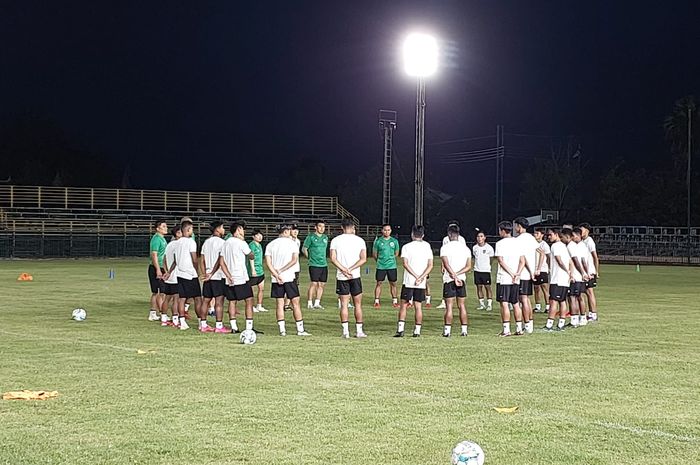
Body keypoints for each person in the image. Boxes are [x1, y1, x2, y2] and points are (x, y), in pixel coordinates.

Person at [265, 224, 310, 336]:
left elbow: (268, 263)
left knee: (279, 304)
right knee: (295, 303)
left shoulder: (270, 244)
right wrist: (281, 270)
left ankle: (282, 330)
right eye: (289, 231)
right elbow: (294, 260)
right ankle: (300, 330)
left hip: (276, 279)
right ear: (285, 232)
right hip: (289, 277)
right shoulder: (292, 243)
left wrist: (276, 274)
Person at [330, 218, 368, 338]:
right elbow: (363, 259)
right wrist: (351, 269)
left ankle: (345, 332)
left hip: (342, 276)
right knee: (357, 304)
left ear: (342, 227)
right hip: (355, 275)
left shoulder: (335, 240)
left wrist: (343, 269)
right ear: (353, 227)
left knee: (344, 304)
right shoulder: (360, 240)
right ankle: (359, 331)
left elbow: (333, 258)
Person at [394, 225, 433, 337]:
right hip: (421, 282)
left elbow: (405, 264)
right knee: (418, 306)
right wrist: (421, 277)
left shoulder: (406, 247)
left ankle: (400, 330)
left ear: (412, 234)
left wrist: (415, 276)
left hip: (409, 281)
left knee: (404, 305)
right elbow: (430, 265)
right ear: (423, 235)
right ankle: (417, 331)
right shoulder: (427, 246)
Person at [218, 220, 256, 334]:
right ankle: (249, 327)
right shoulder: (241, 243)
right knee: (249, 300)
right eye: (242, 229)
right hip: (240, 276)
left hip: (229, 277)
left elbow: (222, 262)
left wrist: (228, 275)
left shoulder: (226, 242)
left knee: (232, 301)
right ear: (239, 230)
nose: (244, 231)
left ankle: (234, 327)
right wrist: (244, 243)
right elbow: (251, 255)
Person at [167, 220, 204, 331]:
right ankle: (201, 322)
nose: (192, 231)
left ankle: (182, 322)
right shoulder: (191, 242)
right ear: (188, 230)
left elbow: (175, 260)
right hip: (190, 273)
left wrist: (170, 271)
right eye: (192, 229)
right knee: (197, 298)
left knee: (182, 298)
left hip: (179, 273)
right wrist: (197, 271)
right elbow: (194, 259)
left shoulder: (177, 242)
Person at [439, 224, 472, 337]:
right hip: (461, 280)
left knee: (449, 306)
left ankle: (447, 331)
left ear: (449, 234)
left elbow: (446, 265)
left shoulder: (445, 248)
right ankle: (464, 330)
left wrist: (453, 275)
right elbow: (468, 266)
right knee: (461, 306)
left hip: (449, 279)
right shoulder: (466, 248)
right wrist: (458, 275)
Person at [495, 221, 525, 337]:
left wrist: (511, 273)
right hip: (516, 278)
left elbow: (501, 261)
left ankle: (506, 329)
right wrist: (517, 273)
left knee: (505, 303)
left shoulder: (500, 244)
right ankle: (519, 328)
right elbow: (522, 261)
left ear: (503, 231)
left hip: (504, 278)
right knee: (516, 303)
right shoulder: (518, 243)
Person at [513, 217, 544, 334]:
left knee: (523, 299)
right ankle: (529, 323)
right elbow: (542, 253)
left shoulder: (518, 240)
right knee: (526, 299)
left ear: (519, 226)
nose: (515, 228)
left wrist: (531, 271)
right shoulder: (532, 238)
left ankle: (526, 324)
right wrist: (538, 268)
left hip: (522, 273)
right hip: (529, 273)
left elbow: (523, 258)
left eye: (516, 226)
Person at [200, 221, 228, 333]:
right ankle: (219, 326)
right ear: (217, 229)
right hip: (218, 276)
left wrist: (205, 273)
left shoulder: (206, 242)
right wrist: (212, 272)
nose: (224, 230)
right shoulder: (222, 243)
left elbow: (201, 259)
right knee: (219, 302)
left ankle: (203, 324)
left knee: (206, 301)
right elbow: (220, 260)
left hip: (208, 277)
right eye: (222, 227)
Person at [543, 228, 572, 331]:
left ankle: (549, 324)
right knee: (562, 301)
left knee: (554, 301)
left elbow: (559, 260)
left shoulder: (555, 246)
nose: (549, 237)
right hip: (564, 279)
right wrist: (570, 274)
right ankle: (561, 323)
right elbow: (570, 262)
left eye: (550, 235)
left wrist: (566, 271)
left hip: (558, 278)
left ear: (556, 234)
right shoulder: (564, 246)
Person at [436, 221, 466, 309]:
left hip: (457, 265)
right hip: (448, 264)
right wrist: (443, 265)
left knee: (456, 285)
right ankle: (443, 301)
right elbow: (443, 255)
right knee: (446, 282)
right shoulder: (445, 239)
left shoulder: (461, 239)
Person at [561, 228, 586, 327]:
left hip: (574, 276)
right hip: (578, 276)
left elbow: (575, 260)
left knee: (572, 298)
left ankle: (574, 320)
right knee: (578, 297)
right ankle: (582, 318)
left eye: (562, 237)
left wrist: (582, 273)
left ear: (567, 237)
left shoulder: (570, 246)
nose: (561, 239)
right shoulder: (575, 246)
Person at [372, 224, 400, 308]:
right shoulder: (378, 241)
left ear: (391, 231)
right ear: (382, 231)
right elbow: (374, 254)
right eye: (385, 230)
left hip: (392, 266)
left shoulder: (394, 241)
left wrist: (390, 260)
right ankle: (376, 301)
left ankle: (395, 301)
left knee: (393, 283)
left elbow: (396, 253)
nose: (386, 231)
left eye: (388, 230)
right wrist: (380, 261)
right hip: (381, 266)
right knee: (379, 283)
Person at [303, 220, 329, 310]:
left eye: (323, 227)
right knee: (313, 283)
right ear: (316, 227)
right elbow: (304, 249)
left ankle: (317, 303)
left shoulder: (325, 237)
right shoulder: (310, 237)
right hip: (314, 264)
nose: (322, 228)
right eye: (320, 226)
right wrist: (309, 258)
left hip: (324, 264)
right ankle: (309, 303)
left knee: (322, 284)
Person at [161, 225, 182, 327]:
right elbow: (175, 260)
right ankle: (175, 319)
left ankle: (164, 318)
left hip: (169, 277)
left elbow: (164, 259)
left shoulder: (169, 244)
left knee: (167, 298)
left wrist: (165, 271)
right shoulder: (178, 244)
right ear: (178, 233)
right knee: (176, 298)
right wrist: (169, 272)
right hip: (175, 275)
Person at [148, 219, 168, 321]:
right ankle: (160, 313)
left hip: (161, 267)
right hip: (157, 267)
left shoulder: (162, 239)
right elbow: (154, 255)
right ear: (157, 228)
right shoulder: (156, 239)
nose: (166, 228)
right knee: (159, 292)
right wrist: (158, 269)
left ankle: (155, 313)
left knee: (159, 292)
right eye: (163, 226)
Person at [579, 223, 599, 322]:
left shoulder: (589, 241)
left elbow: (595, 257)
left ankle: (593, 314)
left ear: (587, 230)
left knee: (590, 292)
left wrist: (596, 271)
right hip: (585, 270)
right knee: (586, 292)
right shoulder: (582, 241)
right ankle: (590, 314)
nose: (580, 232)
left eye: (581, 230)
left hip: (590, 270)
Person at [472, 230, 495, 311]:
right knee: (479, 287)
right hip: (477, 270)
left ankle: (489, 304)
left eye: (481, 236)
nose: (479, 238)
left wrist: (487, 266)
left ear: (485, 238)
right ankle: (482, 304)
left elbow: (491, 259)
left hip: (485, 271)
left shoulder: (489, 248)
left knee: (487, 287)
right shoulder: (474, 247)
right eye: (478, 236)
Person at [247, 230, 268, 313]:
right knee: (251, 289)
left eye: (261, 235)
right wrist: (253, 269)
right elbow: (251, 257)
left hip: (260, 270)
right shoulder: (252, 245)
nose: (260, 237)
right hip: (254, 270)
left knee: (261, 288)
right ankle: (251, 306)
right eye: (258, 235)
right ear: (253, 236)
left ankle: (259, 305)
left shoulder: (259, 245)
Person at [533, 227, 551, 314]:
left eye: (537, 233)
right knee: (536, 288)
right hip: (534, 268)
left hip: (543, 269)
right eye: (535, 233)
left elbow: (548, 257)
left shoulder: (544, 245)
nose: (535, 235)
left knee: (544, 287)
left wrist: (548, 267)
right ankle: (537, 306)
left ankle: (548, 306)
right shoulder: (532, 244)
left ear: (542, 235)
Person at [285, 224, 302, 310]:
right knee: (289, 285)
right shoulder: (287, 241)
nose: (295, 232)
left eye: (297, 230)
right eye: (293, 230)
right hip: (288, 267)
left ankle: (288, 304)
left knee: (295, 285)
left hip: (296, 267)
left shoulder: (298, 241)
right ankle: (286, 304)